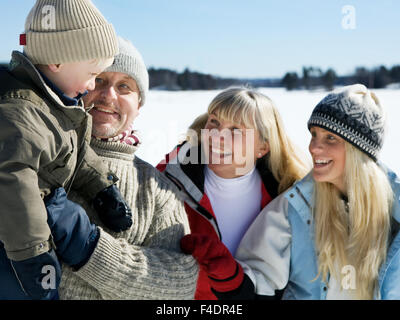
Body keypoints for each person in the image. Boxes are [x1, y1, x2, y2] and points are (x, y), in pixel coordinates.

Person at [190, 84, 400, 300]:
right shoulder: (294, 207)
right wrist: (229, 275)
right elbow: (261, 282)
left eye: (330, 138)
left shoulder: (394, 212)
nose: (314, 147)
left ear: (360, 151)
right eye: (314, 134)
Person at [44, 36, 199, 300]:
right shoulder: (36, 154)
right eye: (99, 79)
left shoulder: (156, 188)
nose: (108, 96)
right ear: (78, 85)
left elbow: (180, 286)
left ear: (139, 105)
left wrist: (91, 249)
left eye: (124, 86)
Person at [0, 0, 133, 300]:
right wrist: (33, 258)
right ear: (58, 61)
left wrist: (102, 188)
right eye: (92, 74)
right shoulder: (19, 112)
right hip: (12, 251)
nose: (90, 86)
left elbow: (77, 152)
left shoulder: (54, 104)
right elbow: (12, 184)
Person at [157, 87, 309, 299]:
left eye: (236, 130)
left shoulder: (288, 198)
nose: (217, 136)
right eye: (214, 122)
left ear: (262, 147)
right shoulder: (167, 179)